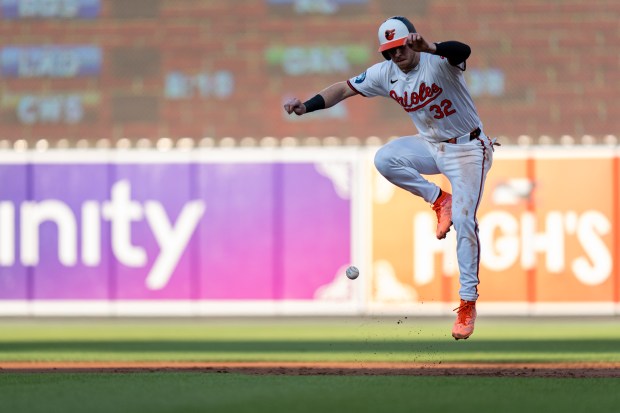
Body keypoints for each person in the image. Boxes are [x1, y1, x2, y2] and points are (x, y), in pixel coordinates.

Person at [283, 16, 497, 340]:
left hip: (468, 148)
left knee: (466, 222)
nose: (395, 56)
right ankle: (440, 200)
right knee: (385, 158)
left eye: (399, 48)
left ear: (411, 41)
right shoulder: (387, 73)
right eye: (388, 52)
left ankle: (467, 302)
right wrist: (306, 106)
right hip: (432, 145)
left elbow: (463, 50)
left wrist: (432, 47)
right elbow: (343, 88)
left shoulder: (437, 61)